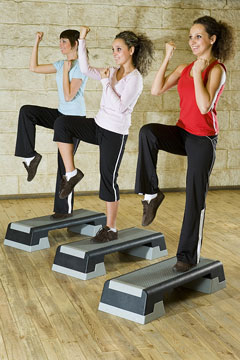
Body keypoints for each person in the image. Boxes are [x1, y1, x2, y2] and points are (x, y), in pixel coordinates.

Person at [135, 16, 234, 271]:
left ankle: (187, 257)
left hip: (203, 139)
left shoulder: (217, 70)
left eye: (198, 36)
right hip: (183, 133)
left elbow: (204, 106)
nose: (193, 41)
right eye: (190, 37)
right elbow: (156, 90)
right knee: (148, 133)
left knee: (194, 197)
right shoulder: (184, 68)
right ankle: (151, 194)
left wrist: (199, 72)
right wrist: (168, 58)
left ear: (212, 39)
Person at [53, 26, 154, 242]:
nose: (115, 53)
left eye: (119, 49)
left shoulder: (135, 79)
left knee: (108, 179)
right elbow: (85, 68)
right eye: (113, 49)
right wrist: (82, 39)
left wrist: (106, 81)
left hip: (115, 133)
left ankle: (111, 228)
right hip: (98, 125)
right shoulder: (112, 70)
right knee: (62, 124)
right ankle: (71, 174)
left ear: (131, 50)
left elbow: (119, 107)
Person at [15, 30, 88, 219]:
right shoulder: (61, 63)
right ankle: (30, 157)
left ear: (74, 44)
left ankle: (63, 211)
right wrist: (36, 41)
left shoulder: (80, 67)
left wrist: (65, 72)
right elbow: (34, 68)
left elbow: (69, 96)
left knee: (64, 165)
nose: (61, 45)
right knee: (27, 111)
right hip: (61, 115)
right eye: (60, 41)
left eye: (64, 42)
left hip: (74, 121)